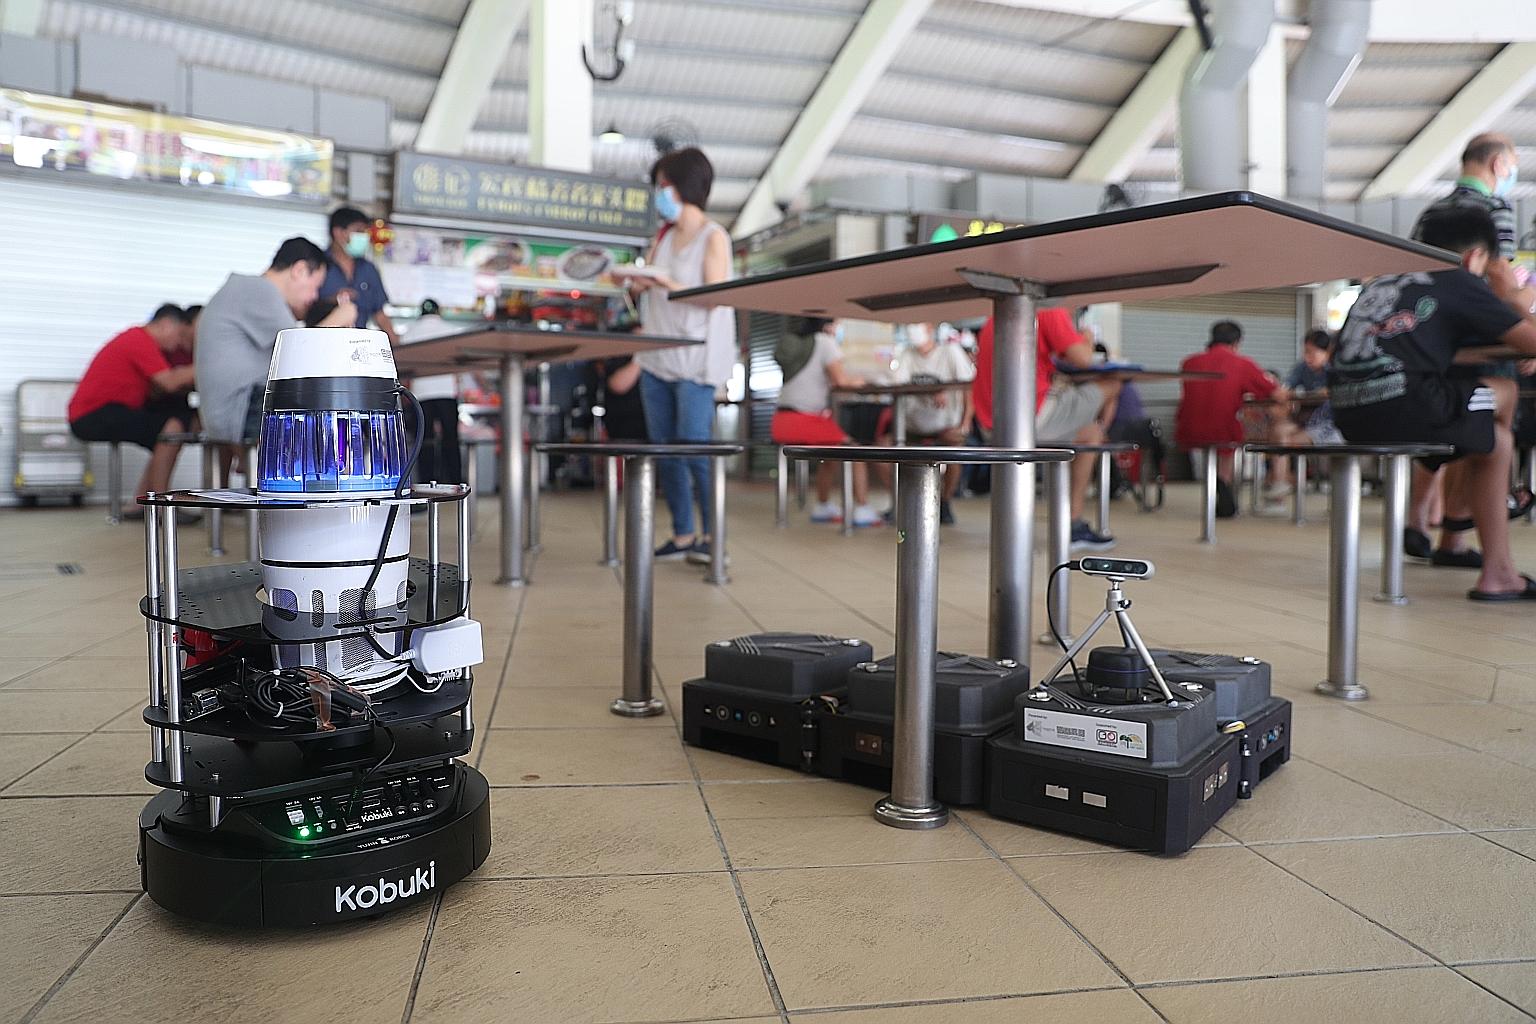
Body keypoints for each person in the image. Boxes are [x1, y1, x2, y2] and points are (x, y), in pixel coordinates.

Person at [1329, 205, 1536, 600]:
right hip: (1403, 404)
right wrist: (1511, 293)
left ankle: (1483, 478)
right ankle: (1497, 562)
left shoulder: (1385, 281)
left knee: (1494, 436)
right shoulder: (1459, 278)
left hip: (1349, 411)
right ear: (1476, 256)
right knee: (1503, 396)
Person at [1402, 133, 1536, 565]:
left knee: (1455, 430)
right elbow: (1502, 281)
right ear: (1499, 165)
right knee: (1487, 431)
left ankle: (1432, 526)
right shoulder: (1495, 210)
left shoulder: (1431, 212)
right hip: (1480, 336)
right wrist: (1522, 326)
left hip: (1430, 342)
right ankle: (1469, 543)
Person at [629, 147, 736, 564]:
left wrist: (664, 281)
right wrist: (640, 283)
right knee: (664, 450)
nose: (660, 194)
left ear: (683, 185)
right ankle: (684, 534)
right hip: (658, 356)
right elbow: (655, 286)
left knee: (695, 448)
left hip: (695, 361)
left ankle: (715, 536)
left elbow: (713, 297)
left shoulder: (714, 237)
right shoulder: (665, 236)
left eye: (664, 185)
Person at [196, 238, 352, 464]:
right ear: (299, 270)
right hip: (240, 410)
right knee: (332, 406)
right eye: (315, 286)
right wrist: (340, 317)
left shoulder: (245, 288)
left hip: (228, 409)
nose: (314, 297)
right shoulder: (259, 290)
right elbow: (300, 351)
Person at [973, 309, 1119, 548]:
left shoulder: (996, 314)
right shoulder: (1050, 309)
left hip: (991, 422)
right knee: (1112, 385)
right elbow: (1082, 358)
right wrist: (1087, 337)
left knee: (1090, 433)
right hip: (1029, 419)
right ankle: (1072, 524)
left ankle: (1094, 435)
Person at [68, 304, 197, 510]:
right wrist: (206, 364)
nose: (179, 342)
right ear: (165, 325)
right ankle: (160, 505)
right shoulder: (139, 340)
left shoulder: (138, 339)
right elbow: (169, 382)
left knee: (173, 422)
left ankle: (139, 503)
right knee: (171, 428)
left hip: (109, 410)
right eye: (180, 334)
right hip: (92, 414)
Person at [1176, 320, 1298, 517]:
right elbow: (1274, 392)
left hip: (1187, 429)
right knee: (1228, 439)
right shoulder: (1242, 364)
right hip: (1222, 430)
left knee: (1216, 438)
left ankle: (1217, 488)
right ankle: (1223, 486)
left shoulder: (1189, 362)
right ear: (1237, 342)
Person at [770, 317, 881, 527]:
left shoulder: (800, 343)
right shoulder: (825, 342)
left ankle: (823, 505)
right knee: (854, 450)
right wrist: (862, 381)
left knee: (829, 453)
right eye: (838, 324)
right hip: (805, 419)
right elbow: (841, 380)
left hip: (781, 419)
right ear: (828, 325)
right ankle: (862, 508)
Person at [875, 323, 973, 524]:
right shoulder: (906, 354)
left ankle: (944, 503)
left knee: (955, 450)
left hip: (945, 425)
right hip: (911, 426)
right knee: (880, 452)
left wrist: (965, 422)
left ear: (929, 328)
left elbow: (967, 388)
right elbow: (896, 383)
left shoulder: (950, 352)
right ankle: (901, 501)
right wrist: (930, 391)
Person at [402, 299, 464, 485]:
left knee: (425, 440)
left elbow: (405, 366)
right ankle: (454, 481)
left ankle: (427, 482)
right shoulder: (450, 329)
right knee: (450, 440)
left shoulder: (410, 332)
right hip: (446, 392)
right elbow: (458, 363)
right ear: (439, 311)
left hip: (421, 394)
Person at [319, 207, 398, 345]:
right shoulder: (318, 264)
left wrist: (396, 345)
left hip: (359, 350)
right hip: (322, 345)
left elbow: (380, 313)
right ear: (338, 233)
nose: (364, 237)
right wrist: (332, 300)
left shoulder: (368, 269)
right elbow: (303, 308)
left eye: (366, 232)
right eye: (359, 231)